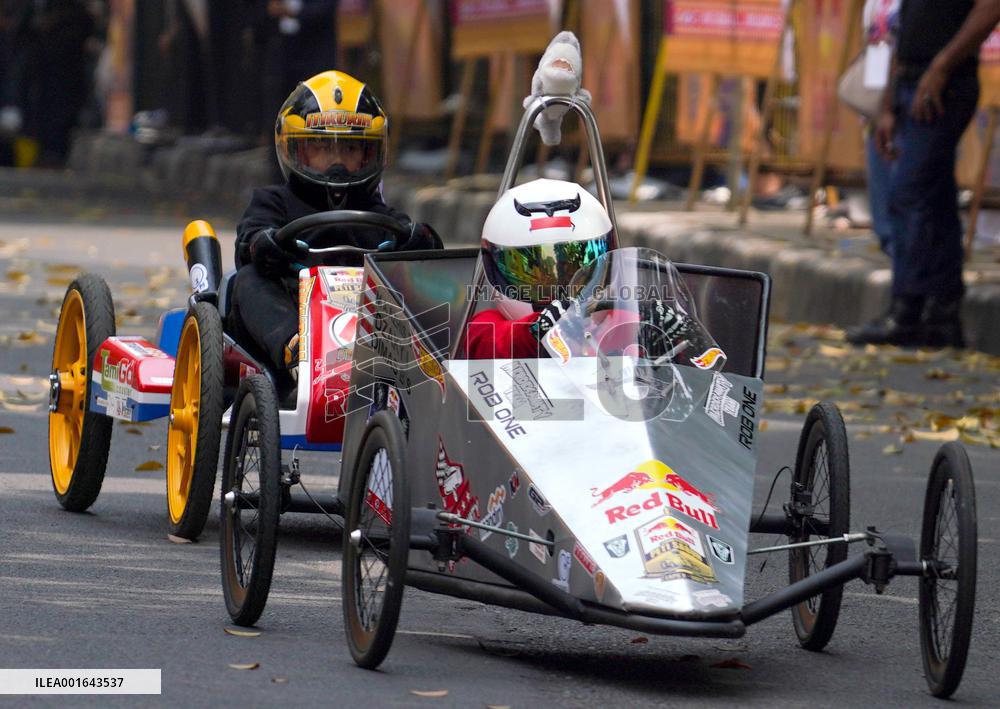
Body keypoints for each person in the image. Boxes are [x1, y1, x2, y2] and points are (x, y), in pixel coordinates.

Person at [229, 70, 442, 387]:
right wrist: (265, 244)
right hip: (293, 319)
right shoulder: (274, 203)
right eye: (323, 148)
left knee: (423, 282)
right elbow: (250, 242)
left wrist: (419, 240)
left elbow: (428, 250)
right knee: (247, 280)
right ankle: (295, 349)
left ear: (369, 154)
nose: (337, 161)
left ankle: (431, 365)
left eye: (351, 150)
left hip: (369, 335)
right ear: (297, 150)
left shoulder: (378, 214)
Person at [848, 0, 1000, 348]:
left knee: (909, 192)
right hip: (907, 82)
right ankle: (943, 313)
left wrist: (942, 67)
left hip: (947, 84)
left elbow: (989, 9)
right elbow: (903, 31)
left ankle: (907, 310)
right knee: (935, 197)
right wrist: (886, 105)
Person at [465, 178, 718, 364]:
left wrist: (679, 338)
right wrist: (539, 329)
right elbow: (484, 344)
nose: (560, 289)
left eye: (578, 269)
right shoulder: (486, 328)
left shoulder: (623, 323)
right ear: (493, 266)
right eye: (534, 272)